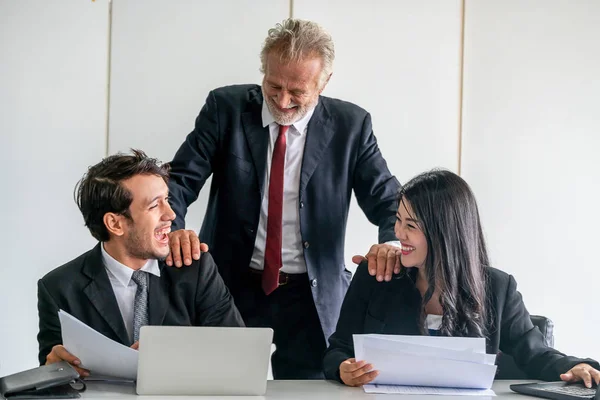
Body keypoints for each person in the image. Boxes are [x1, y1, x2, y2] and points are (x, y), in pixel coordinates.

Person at [164, 18, 401, 379]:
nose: (283, 100)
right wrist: (173, 229)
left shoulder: (351, 126)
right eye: (273, 86)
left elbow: (389, 202)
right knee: (219, 385)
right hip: (231, 285)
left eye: (298, 91)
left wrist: (393, 244)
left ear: (324, 83)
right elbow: (178, 182)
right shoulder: (224, 108)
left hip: (310, 295)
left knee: (307, 391)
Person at [324, 170, 600, 387]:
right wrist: (343, 370)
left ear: (444, 233)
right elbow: (337, 350)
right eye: (398, 220)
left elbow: (536, 355)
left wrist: (576, 366)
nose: (398, 233)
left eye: (411, 226)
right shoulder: (377, 276)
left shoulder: (498, 289)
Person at [37, 150, 244, 377]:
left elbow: (239, 355)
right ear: (115, 224)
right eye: (155, 206)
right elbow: (53, 371)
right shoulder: (58, 288)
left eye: (167, 200)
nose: (171, 215)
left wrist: (178, 356)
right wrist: (54, 369)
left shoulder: (196, 269)